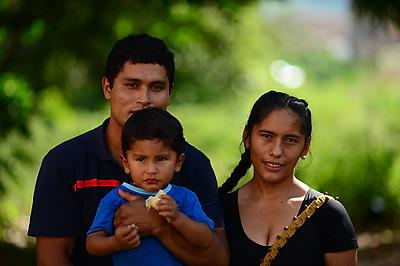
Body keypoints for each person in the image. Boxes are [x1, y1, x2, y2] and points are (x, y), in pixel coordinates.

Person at [28, 33, 228, 266]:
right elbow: (52, 258)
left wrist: (158, 226)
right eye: (132, 85)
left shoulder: (193, 164)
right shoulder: (65, 163)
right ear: (107, 88)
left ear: (169, 93)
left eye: (156, 87)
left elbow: (218, 260)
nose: (144, 99)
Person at [219, 90, 358, 266]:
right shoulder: (221, 210)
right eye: (267, 136)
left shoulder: (328, 215)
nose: (276, 151)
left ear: (305, 147)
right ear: (247, 137)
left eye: (290, 140)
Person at [86, 107, 215, 265]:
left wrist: (177, 218)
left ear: (178, 162)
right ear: (126, 163)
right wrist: (116, 242)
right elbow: (92, 243)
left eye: (161, 159)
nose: (151, 170)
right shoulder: (117, 197)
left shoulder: (185, 197)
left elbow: (206, 239)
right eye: (141, 159)